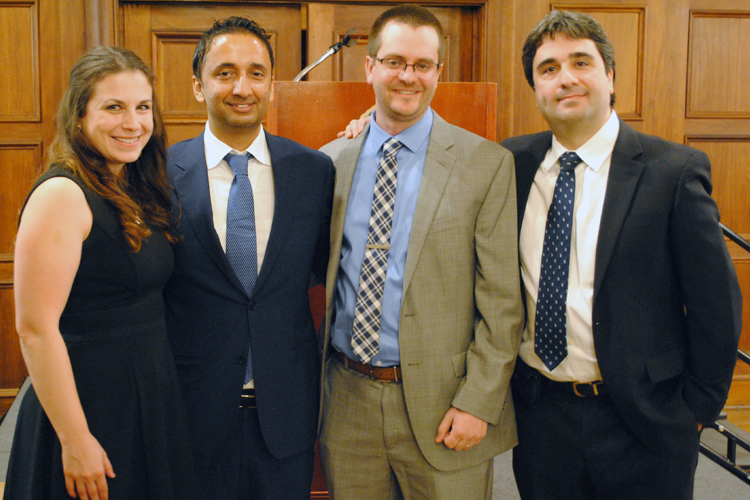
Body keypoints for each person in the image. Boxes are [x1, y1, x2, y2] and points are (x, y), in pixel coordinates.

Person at [502, 10, 743, 500]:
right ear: (535, 87)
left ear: (610, 76)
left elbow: (716, 307)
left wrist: (695, 410)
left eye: (580, 62)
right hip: (542, 419)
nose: (565, 78)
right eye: (548, 69)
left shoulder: (672, 172)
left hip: (645, 420)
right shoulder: (509, 164)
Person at [319, 5, 524, 499]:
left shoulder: (486, 164)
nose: (407, 76)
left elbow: (503, 303)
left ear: (438, 73)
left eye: (422, 65)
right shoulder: (331, 162)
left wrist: (479, 401)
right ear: (369, 67)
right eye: (394, 62)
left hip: (446, 407)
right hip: (348, 403)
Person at [4, 46, 196, 500]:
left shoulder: (132, 184)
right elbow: (34, 329)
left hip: (145, 399)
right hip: (88, 409)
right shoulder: (62, 195)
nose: (133, 123)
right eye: (114, 107)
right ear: (78, 116)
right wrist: (75, 439)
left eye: (142, 107)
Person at [161, 16, 334, 500]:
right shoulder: (157, 175)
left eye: (257, 73)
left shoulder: (314, 171)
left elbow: (326, 269)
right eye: (225, 72)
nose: (243, 87)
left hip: (286, 416)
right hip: (191, 416)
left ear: (272, 86)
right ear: (198, 86)